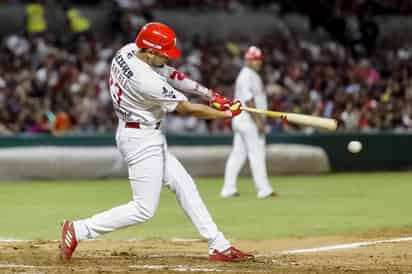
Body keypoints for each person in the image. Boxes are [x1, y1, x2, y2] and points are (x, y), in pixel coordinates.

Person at [60, 22, 253, 262]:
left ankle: (219, 245)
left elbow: (170, 73)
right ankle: (79, 229)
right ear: (150, 52)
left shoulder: (129, 50)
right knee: (143, 209)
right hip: (140, 138)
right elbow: (187, 109)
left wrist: (210, 95)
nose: (167, 57)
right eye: (163, 53)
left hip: (143, 133)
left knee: (184, 185)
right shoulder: (145, 81)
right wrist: (225, 114)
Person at [221, 46, 276, 199]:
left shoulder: (250, 75)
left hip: (242, 120)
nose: (257, 62)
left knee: (238, 155)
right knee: (257, 154)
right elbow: (248, 100)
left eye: (258, 59)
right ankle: (264, 189)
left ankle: (228, 189)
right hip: (248, 120)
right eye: (254, 59)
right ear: (247, 59)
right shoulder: (246, 76)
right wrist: (258, 121)